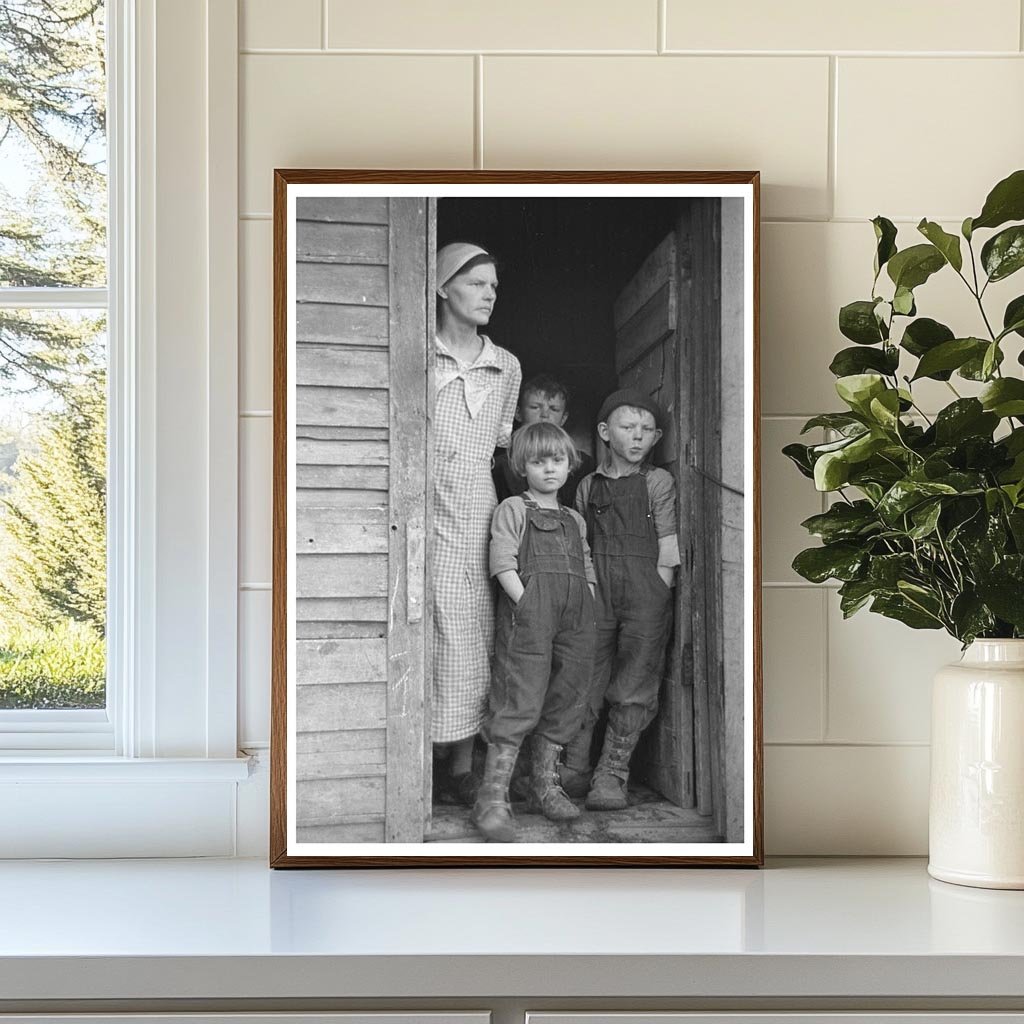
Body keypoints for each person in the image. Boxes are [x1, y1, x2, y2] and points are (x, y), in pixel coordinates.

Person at [471, 421, 597, 842]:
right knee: (519, 697)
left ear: (569, 465)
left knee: (566, 697)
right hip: (529, 617)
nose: (549, 469)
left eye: (557, 460)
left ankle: (545, 785)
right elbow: (502, 560)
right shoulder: (513, 508)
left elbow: (586, 562)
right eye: (538, 461)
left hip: (577, 618)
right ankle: (493, 797)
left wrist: (590, 600)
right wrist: (525, 603)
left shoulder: (574, 518)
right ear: (522, 466)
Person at [560, 388, 679, 812]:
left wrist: (660, 586)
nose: (638, 437)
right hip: (597, 592)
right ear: (605, 432)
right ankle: (573, 768)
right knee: (586, 677)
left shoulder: (657, 481)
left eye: (647, 430)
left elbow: (668, 541)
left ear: (657, 436)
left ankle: (611, 774)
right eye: (628, 428)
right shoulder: (587, 486)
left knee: (634, 682)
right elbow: (580, 544)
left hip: (645, 591)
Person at [432, 242, 522, 800]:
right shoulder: (417, 353)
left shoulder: (505, 365)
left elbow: (501, 447)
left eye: (493, 285)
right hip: (421, 503)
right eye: (475, 283)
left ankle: (462, 766)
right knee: (425, 626)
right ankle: (415, 758)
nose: (489, 293)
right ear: (443, 288)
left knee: (472, 626)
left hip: (473, 505)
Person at [492, 373, 597, 509]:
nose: (545, 415)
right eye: (535, 407)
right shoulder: (499, 465)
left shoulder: (582, 464)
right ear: (518, 413)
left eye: (554, 409)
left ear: (564, 418)